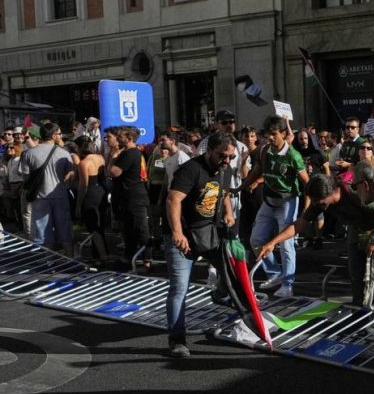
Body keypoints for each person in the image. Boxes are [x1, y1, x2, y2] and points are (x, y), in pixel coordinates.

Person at [259, 172, 374, 308]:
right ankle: (359, 311)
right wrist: (272, 242)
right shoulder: (320, 203)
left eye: (317, 200)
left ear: (330, 193)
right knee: (356, 274)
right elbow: (299, 224)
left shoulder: (355, 194)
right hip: (356, 229)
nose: (315, 204)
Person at [164, 132, 237, 358]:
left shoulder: (224, 169)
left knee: (231, 272)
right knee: (179, 289)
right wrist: (177, 233)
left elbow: (223, 191)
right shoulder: (191, 170)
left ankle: (221, 296)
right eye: (222, 156)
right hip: (184, 236)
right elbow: (173, 200)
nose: (226, 161)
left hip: (209, 233)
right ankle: (177, 340)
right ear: (209, 151)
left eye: (231, 157)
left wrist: (229, 212)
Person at [242, 116, 310, 297]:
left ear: (283, 134)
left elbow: (308, 184)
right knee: (255, 241)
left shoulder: (293, 156)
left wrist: (307, 209)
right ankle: (275, 274)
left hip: (288, 202)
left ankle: (288, 284)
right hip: (268, 201)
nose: (270, 138)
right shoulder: (265, 151)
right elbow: (257, 171)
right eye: (267, 135)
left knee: (286, 245)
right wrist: (241, 186)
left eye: (274, 134)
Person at [19, 122, 75, 256]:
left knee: (43, 232)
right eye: (60, 133)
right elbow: (70, 174)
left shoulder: (29, 153)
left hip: (40, 197)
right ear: (54, 135)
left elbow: (26, 177)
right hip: (60, 195)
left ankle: (48, 262)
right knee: (65, 230)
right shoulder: (64, 153)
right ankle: (71, 259)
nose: (60, 136)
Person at [108, 126, 153, 267]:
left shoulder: (131, 153)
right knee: (128, 228)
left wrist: (113, 158)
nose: (118, 138)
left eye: (121, 136)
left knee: (141, 228)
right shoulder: (127, 152)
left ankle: (148, 260)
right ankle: (130, 256)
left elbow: (113, 172)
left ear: (130, 139)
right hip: (126, 197)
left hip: (135, 197)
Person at [74, 136, 111, 265]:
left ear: (79, 148)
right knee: (99, 225)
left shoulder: (84, 163)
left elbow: (83, 185)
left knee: (93, 227)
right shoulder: (100, 158)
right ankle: (99, 256)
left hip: (90, 195)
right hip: (101, 193)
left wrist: (78, 204)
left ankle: (103, 257)